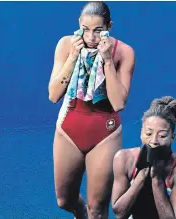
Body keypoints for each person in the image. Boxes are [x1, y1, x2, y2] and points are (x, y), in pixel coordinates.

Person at [48, 1, 135, 219]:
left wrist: (107, 61)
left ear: (109, 27)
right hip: (69, 127)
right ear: (79, 24)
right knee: (64, 200)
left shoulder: (124, 52)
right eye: (86, 30)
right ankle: (80, 213)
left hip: (105, 131)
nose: (91, 38)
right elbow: (53, 95)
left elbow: (119, 104)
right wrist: (73, 57)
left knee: (97, 209)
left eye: (98, 31)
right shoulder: (66, 44)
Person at [111, 96, 176, 219]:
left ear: (173, 137)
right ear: (141, 133)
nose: (154, 141)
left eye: (162, 136)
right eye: (149, 133)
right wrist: (141, 176)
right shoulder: (124, 158)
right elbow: (119, 213)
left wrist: (157, 179)